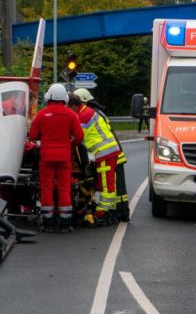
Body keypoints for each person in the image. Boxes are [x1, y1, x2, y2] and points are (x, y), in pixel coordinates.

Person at [28, 83, 84, 232]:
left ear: (49, 98)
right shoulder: (71, 115)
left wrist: (44, 137)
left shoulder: (41, 114)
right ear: (64, 99)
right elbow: (79, 136)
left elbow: (33, 136)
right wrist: (70, 143)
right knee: (64, 187)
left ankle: (48, 221)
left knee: (46, 187)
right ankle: (65, 222)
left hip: (46, 157)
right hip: (64, 157)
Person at [69, 88, 127, 225]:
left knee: (106, 186)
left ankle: (102, 213)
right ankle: (110, 213)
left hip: (104, 152)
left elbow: (76, 138)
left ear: (74, 105)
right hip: (106, 152)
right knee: (107, 184)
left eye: (69, 108)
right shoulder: (87, 112)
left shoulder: (83, 116)